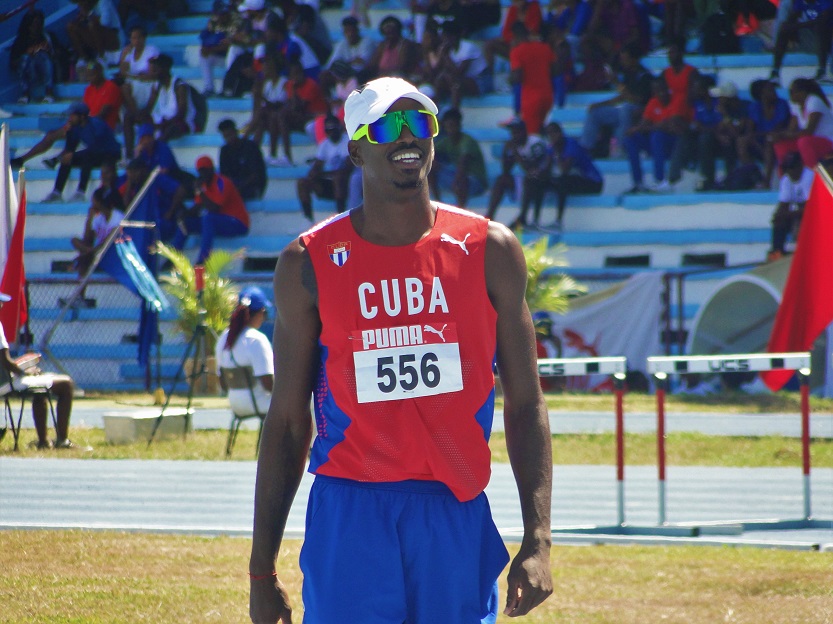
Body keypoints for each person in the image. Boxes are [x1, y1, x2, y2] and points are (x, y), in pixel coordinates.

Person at [249, 76, 552, 623]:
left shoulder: (488, 250)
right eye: (388, 125)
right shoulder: (308, 263)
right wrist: (260, 570)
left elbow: (526, 403)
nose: (407, 136)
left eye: (419, 122)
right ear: (356, 149)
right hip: (351, 511)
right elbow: (289, 422)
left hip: (453, 511)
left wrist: (538, 540)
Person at [0, 293, 84, 451]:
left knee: (40, 390)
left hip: (4, 380)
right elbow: (5, 362)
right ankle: (62, 440)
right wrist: (25, 372)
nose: (2, 306)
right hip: (4, 383)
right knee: (66, 384)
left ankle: (44, 441)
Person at [11, 102, 122, 203]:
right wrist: (67, 143)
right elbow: (70, 149)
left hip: (109, 154)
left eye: (72, 115)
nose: (70, 118)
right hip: (94, 153)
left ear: (82, 116)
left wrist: (73, 155)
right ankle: (57, 192)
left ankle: (80, 192)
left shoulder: (96, 125)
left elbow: (96, 148)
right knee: (67, 159)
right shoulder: (74, 127)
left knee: (87, 157)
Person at [579, 42, 652, 158]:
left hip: (639, 114)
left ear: (634, 59)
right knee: (595, 112)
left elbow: (636, 100)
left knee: (625, 108)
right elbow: (622, 97)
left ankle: (621, 147)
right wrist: (599, 104)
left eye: (625, 59)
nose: (622, 62)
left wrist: (616, 83)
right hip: (624, 113)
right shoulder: (629, 74)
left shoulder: (645, 76)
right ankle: (585, 149)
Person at [173, 155, 250, 264]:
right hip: (219, 223)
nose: (203, 174)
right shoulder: (203, 186)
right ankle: (173, 258)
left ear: (212, 169)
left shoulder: (222, 182)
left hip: (237, 223)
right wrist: (184, 213)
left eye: (205, 170)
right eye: (200, 171)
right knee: (186, 222)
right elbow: (198, 207)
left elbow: (215, 208)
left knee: (208, 218)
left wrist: (200, 192)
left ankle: (203, 260)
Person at [622, 75, 689, 193]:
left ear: (668, 89)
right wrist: (643, 128)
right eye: (657, 91)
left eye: (663, 90)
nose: (661, 93)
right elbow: (643, 125)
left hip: (673, 145)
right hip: (656, 146)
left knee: (657, 135)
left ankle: (660, 180)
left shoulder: (677, 100)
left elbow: (671, 126)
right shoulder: (653, 102)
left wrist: (652, 127)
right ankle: (638, 183)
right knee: (631, 139)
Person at [215, 286, 274, 417]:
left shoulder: (223, 338)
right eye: (264, 313)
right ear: (260, 312)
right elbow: (268, 384)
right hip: (260, 404)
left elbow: (223, 384)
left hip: (235, 405)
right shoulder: (257, 340)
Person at [486, 117, 549, 228]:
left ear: (523, 131)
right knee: (502, 179)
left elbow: (531, 169)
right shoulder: (515, 145)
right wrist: (506, 152)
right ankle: (489, 217)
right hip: (525, 181)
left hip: (542, 181)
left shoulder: (536, 143)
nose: (514, 135)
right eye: (512, 132)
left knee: (530, 179)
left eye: (517, 132)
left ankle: (522, 218)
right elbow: (506, 170)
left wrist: (515, 153)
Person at [543, 121, 602, 229]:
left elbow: (564, 169)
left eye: (553, 133)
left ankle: (558, 221)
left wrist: (556, 152)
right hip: (574, 179)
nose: (551, 137)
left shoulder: (571, 144)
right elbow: (547, 169)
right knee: (539, 181)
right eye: (548, 134)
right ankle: (533, 221)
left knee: (563, 181)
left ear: (560, 133)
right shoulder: (551, 148)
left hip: (593, 182)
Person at [70, 186, 125, 299]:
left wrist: (87, 253)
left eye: (94, 201)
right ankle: (79, 297)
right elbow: (87, 238)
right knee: (75, 241)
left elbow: (108, 243)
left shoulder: (117, 217)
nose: (92, 204)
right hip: (96, 253)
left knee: (84, 260)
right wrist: (89, 218)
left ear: (100, 203)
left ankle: (79, 296)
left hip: (113, 254)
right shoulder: (99, 218)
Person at [428, 107, 488, 208]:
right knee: (430, 167)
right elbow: (430, 150)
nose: (450, 129)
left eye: (453, 126)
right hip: (456, 175)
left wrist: (456, 181)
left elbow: (463, 163)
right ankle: (438, 204)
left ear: (459, 125)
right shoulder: (446, 141)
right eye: (448, 126)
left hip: (476, 181)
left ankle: (461, 209)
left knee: (462, 181)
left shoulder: (467, 141)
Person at [296, 115, 352, 220]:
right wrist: (313, 174)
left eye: (333, 129)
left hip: (346, 182)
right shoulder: (324, 144)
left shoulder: (347, 141)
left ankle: (340, 216)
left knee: (338, 178)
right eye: (328, 130)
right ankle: (308, 219)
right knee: (302, 182)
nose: (331, 132)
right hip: (329, 182)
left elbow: (348, 168)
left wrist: (324, 174)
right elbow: (317, 165)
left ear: (339, 128)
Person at [771, 77, 833, 171]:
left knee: (804, 141)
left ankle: (812, 174)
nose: (790, 94)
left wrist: (785, 134)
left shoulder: (814, 101)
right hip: (811, 143)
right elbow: (791, 130)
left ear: (802, 93)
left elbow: (808, 132)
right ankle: (786, 176)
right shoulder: (796, 105)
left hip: (828, 142)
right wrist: (780, 136)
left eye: (792, 92)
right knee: (780, 143)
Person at [509, 22, 556, 136]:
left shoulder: (517, 51)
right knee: (542, 131)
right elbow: (556, 69)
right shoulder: (544, 47)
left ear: (514, 36)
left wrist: (510, 79)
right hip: (547, 96)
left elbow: (517, 76)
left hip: (531, 99)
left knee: (532, 135)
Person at [770, 0, 833, 83]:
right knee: (784, 30)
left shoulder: (826, 1)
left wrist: (795, 26)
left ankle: (822, 71)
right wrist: (788, 27)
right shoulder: (800, 1)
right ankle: (775, 73)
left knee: (820, 28)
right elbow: (792, 18)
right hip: (814, 38)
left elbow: (821, 21)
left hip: (829, 39)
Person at [769, 151, 814, 258]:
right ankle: (777, 252)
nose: (790, 171)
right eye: (787, 168)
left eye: (792, 167)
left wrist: (786, 214)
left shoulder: (809, 176)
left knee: (800, 224)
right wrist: (778, 215)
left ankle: (806, 255)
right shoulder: (786, 179)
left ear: (800, 165)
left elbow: (811, 208)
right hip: (798, 212)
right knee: (779, 221)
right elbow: (783, 204)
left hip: (816, 213)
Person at [9, 8, 56, 104]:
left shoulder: (46, 36)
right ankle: (25, 94)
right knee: (25, 58)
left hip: (45, 72)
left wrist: (48, 50)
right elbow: (13, 63)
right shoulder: (21, 41)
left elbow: (59, 55)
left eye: (39, 24)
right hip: (30, 74)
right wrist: (27, 54)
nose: (37, 27)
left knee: (43, 56)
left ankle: (49, 92)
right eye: (34, 24)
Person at [199, 0, 241, 96]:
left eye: (224, 13)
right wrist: (207, 49)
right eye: (220, 14)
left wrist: (211, 49)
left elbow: (229, 44)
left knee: (233, 50)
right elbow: (205, 39)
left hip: (235, 58)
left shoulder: (235, 20)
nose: (223, 16)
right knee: (203, 55)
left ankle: (228, 87)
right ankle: (209, 88)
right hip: (220, 56)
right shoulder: (213, 22)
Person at [218, 118, 267, 200]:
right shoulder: (224, 151)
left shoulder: (250, 147)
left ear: (236, 132)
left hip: (252, 186)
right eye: (226, 136)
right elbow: (224, 175)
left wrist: (239, 187)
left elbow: (256, 175)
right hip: (234, 186)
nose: (229, 139)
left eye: (230, 135)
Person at [66, 0, 123, 66]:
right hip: (97, 41)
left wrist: (90, 15)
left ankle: (103, 57)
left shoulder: (103, 2)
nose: (80, 5)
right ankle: (85, 60)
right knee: (71, 26)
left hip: (115, 38)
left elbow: (105, 22)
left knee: (93, 24)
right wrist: (82, 19)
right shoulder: (87, 8)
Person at [84, 60, 123, 130]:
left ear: (100, 73)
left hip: (106, 127)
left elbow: (104, 114)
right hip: (91, 126)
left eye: (91, 75)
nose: (89, 79)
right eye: (87, 76)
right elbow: (84, 109)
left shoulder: (111, 87)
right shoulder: (89, 89)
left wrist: (87, 124)